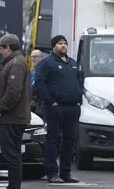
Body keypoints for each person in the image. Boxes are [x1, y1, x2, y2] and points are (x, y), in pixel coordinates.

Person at [33, 35, 83, 184]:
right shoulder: (47, 63)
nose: (63, 46)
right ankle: (52, 173)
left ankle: (66, 173)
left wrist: (79, 98)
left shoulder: (72, 63)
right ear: (54, 46)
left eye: (65, 43)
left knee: (70, 141)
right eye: (60, 43)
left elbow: (79, 81)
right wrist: (50, 101)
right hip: (56, 108)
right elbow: (39, 83)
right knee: (53, 140)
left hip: (73, 107)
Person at [0, 34, 31, 189]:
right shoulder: (16, 62)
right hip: (12, 117)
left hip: (11, 118)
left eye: (1, 48)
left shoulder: (16, 64)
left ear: (8, 48)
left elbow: (13, 93)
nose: (0, 52)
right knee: (13, 155)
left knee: (12, 155)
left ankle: (14, 186)